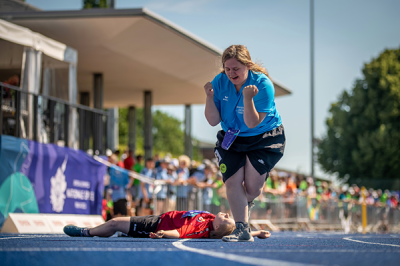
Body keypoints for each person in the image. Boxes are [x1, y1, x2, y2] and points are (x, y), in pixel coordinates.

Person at [204, 45, 285, 242]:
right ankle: (242, 229)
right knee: (232, 181)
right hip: (233, 136)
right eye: (227, 69)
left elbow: (252, 122)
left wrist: (248, 98)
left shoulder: (263, 85)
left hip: (264, 137)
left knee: (252, 188)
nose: (231, 73)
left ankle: (245, 205)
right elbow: (213, 120)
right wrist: (209, 97)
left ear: (248, 65)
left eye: (236, 69)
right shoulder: (220, 81)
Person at [63, 210, 271, 240]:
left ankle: (85, 232)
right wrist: (257, 232)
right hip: (160, 217)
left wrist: (163, 234)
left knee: (116, 222)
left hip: (156, 224)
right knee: (120, 224)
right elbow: (234, 230)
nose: (226, 214)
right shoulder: (210, 220)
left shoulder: (201, 227)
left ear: (217, 228)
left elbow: (181, 234)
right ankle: (120, 232)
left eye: (226, 218)